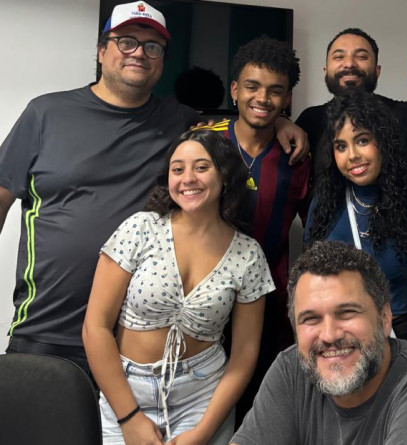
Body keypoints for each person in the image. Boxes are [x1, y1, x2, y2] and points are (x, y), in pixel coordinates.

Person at [0, 1, 305, 373]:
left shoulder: (181, 122)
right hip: (48, 329)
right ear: (101, 51)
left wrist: (283, 123)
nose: (139, 53)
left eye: (152, 47)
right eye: (126, 41)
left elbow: (242, 125)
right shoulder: (45, 114)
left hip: (144, 339)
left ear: (161, 60)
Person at [83, 129, 274, 444]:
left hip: (204, 397)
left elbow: (245, 353)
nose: (188, 178)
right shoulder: (140, 229)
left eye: (202, 167)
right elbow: (95, 327)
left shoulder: (248, 254)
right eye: (177, 169)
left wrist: (203, 432)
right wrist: (129, 417)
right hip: (125, 392)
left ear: (225, 176)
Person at [230, 240, 407, 445]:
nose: (329, 335)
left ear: (384, 318)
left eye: (346, 313)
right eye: (311, 318)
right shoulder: (291, 369)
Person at [207, 36, 310, 423]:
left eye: (275, 91)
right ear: (235, 90)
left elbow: (317, 228)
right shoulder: (203, 142)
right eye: (252, 86)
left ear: (287, 99)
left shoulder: (298, 157)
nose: (262, 98)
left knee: (259, 416)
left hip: (270, 307)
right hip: (202, 307)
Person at [305, 91, 407, 356]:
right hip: (337, 343)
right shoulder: (322, 208)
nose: (352, 155)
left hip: (398, 341)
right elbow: (311, 296)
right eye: (341, 146)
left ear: (384, 142)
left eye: (362, 140)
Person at [295, 28, 407, 187]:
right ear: (326, 71)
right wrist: (280, 121)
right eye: (339, 57)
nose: (349, 64)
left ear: (377, 71)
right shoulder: (310, 121)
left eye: (361, 57)